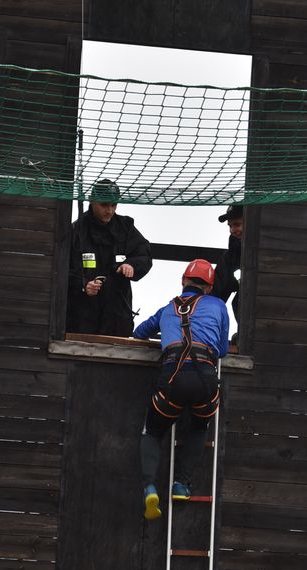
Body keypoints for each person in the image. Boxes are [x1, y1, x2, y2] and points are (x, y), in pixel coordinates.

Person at [133, 259, 229, 520]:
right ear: (208, 287)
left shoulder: (168, 307)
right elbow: (221, 350)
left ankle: (150, 487)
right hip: (205, 379)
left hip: (172, 376)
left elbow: (140, 332)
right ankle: (181, 485)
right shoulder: (218, 305)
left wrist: (168, 331)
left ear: (183, 281)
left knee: (152, 431)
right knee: (199, 426)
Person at [64, 179, 152, 337]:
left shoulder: (125, 227)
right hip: (82, 322)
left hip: (117, 320)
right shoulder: (76, 231)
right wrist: (83, 285)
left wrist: (132, 264)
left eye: (114, 205)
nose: (110, 210)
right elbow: (62, 270)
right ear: (92, 201)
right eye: (104, 205)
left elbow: (144, 254)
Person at [213, 204, 243, 324]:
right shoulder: (234, 246)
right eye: (230, 226)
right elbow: (223, 277)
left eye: (237, 224)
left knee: (240, 300)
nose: (232, 230)